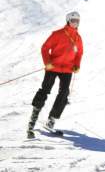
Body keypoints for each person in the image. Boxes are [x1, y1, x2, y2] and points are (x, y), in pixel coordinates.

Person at [27, 11, 83, 139]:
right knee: (45, 90)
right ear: (68, 20)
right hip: (53, 67)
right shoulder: (58, 34)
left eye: (77, 21)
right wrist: (47, 62)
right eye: (73, 20)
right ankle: (32, 120)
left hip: (67, 70)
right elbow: (45, 48)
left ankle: (51, 120)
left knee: (64, 93)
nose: (75, 23)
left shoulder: (78, 38)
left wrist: (76, 64)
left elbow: (79, 53)